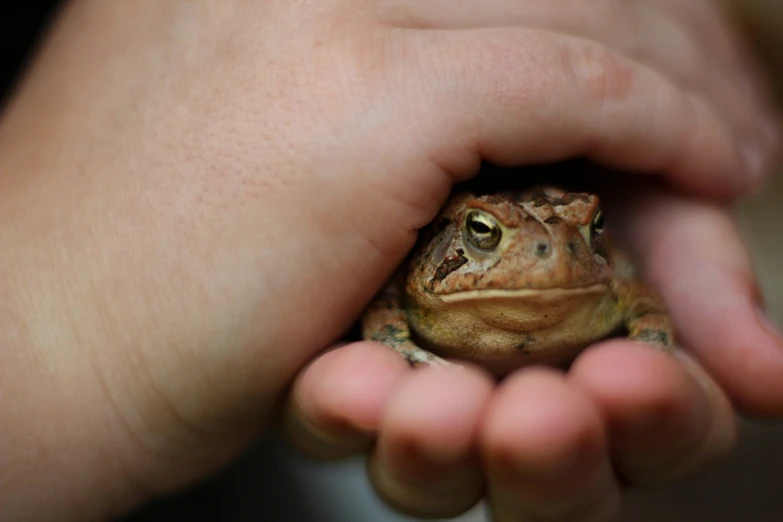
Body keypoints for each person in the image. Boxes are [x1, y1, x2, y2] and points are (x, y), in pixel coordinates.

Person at [1, 1, 781, 521]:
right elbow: (388, 307)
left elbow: (640, 297)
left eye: (586, 232)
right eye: (482, 235)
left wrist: (648, 333)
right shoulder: (409, 293)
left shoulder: (606, 292)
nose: (552, 253)